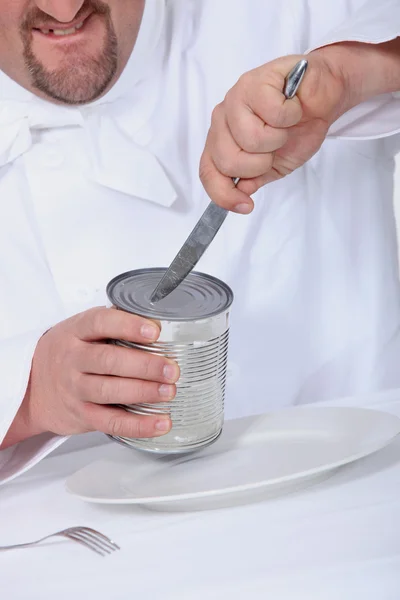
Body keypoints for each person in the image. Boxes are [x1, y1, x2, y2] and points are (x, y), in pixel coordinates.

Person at [0, 0, 400, 484]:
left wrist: (354, 71)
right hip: (68, 542)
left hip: (347, 498)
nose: (63, 9)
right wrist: (26, 398)